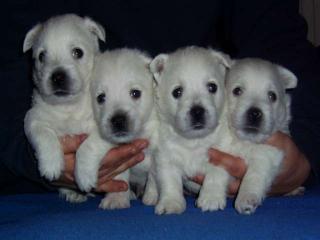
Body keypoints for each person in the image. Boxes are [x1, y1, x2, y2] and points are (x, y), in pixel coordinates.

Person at [0, 0, 318, 195]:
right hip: (30, 191)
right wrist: (27, 148)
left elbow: (283, 46)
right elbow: (11, 55)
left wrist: (305, 144)